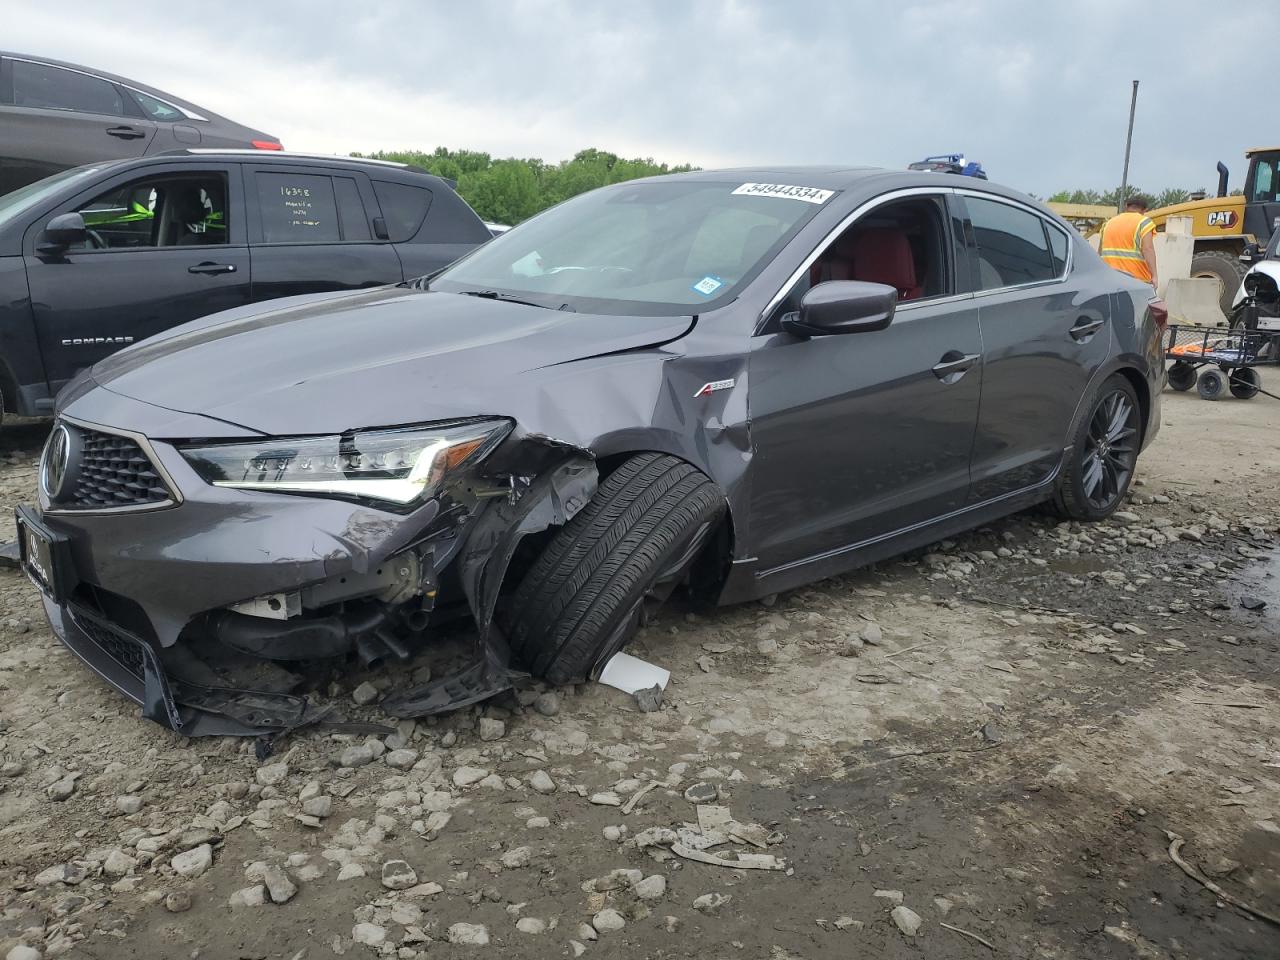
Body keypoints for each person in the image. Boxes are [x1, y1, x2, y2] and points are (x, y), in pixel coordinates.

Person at [1099, 195, 1158, 289]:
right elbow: (1148, 249)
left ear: (1126, 206)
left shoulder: (1108, 223)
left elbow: (1100, 252)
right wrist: (1154, 276)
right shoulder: (1144, 222)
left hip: (1110, 280)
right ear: (1144, 210)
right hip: (1136, 281)